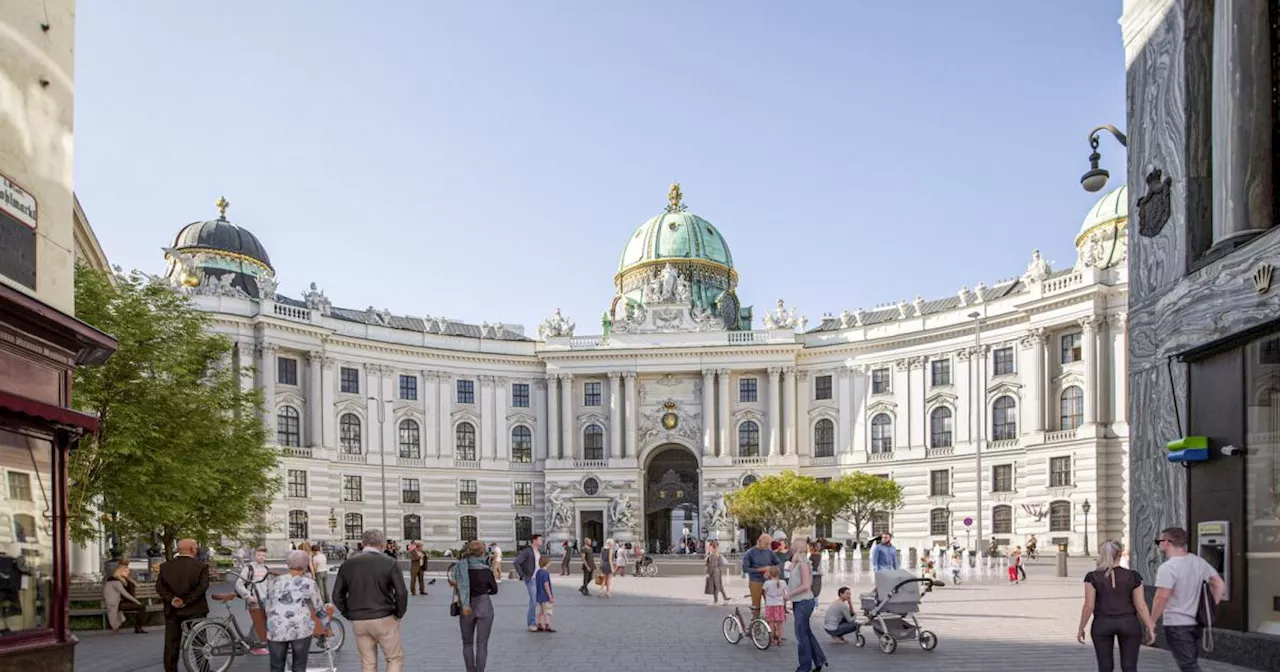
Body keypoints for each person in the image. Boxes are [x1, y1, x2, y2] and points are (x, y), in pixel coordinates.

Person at [332, 528, 408, 672]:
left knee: (368, 662)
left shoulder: (348, 564)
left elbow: (337, 595)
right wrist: (399, 613)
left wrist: (348, 613)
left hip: (359, 619)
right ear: (382, 544)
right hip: (384, 616)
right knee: (393, 658)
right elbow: (401, 593)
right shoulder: (390, 562)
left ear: (363, 543)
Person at [1151, 527, 1225, 672]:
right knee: (1190, 661)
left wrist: (1151, 621)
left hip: (1176, 624)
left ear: (1167, 542)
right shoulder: (1198, 562)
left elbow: (1162, 597)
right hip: (1196, 622)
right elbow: (1219, 584)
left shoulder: (1167, 568)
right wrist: (1210, 606)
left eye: (1158, 541)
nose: (1158, 544)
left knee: (1188, 666)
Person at [1076, 540, 1156, 672]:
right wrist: (1150, 627)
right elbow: (1141, 605)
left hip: (1102, 623)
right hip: (1129, 622)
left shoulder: (1092, 577)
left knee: (1105, 666)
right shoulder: (1133, 576)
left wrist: (1081, 628)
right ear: (1120, 554)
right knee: (1130, 666)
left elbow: (1088, 606)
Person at [265, 550, 328, 672]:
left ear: (288, 564)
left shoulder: (274, 581)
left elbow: (267, 605)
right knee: (299, 666)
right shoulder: (309, 583)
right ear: (305, 566)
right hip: (300, 627)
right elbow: (319, 608)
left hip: (276, 628)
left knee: (276, 667)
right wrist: (327, 627)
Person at [156, 539, 209, 672]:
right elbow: (202, 588)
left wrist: (173, 599)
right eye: (196, 547)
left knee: (171, 643)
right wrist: (186, 601)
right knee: (199, 642)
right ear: (192, 549)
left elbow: (160, 588)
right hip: (195, 610)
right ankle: (203, 669)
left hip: (172, 611)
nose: (197, 550)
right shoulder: (201, 567)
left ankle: (170, 669)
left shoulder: (165, 567)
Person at [452, 540, 498, 672]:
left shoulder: (461, 568)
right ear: (483, 553)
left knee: (467, 643)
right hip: (484, 605)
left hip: (466, 608)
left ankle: (470, 670)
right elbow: (494, 590)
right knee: (482, 644)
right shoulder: (486, 571)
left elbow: (456, 585)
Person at [784, 543, 827, 672]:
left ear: (798, 550)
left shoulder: (804, 564)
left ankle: (804, 667)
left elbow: (806, 586)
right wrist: (794, 560)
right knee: (806, 632)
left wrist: (789, 595)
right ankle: (819, 660)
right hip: (800, 602)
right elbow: (789, 570)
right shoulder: (799, 563)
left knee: (801, 635)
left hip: (803, 601)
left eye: (792, 550)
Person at [235, 547, 274, 655]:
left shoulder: (266, 568)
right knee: (259, 621)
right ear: (254, 555)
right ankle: (255, 645)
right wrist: (248, 596)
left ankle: (254, 642)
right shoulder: (249, 568)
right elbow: (239, 584)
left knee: (260, 621)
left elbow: (269, 585)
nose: (261, 557)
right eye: (259, 555)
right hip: (254, 599)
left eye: (263, 555)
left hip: (264, 599)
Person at [742, 534, 781, 617]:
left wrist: (771, 570)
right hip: (755, 581)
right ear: (759, 542)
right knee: (756, 606)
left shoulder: (770, 552)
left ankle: (773, 627)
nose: (768, 546)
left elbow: (779, 564)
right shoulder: (750, 553)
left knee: (771, 604)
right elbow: (745, 569)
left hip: (769, 581)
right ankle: (755, 625)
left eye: (769, 544)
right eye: (766, 544)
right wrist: (760, 570)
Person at [103, 563, 146, 633]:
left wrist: (129, 580)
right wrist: (137, 601)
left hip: (121, 602)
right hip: (115, 605)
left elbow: (133, 589)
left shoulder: (123, 580)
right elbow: (126, 594)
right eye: (125, 571)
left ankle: (138, 627)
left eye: (128, 570)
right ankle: (138, 627)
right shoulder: (114, 581)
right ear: (120, 571)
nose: (128, 572)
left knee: (141, 606)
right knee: (142, 607)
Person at [513, 533, 543, 631]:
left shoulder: (538, 551)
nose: (541, 541)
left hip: (538, 579)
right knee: (533, 600)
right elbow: (516, 562)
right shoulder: (527, 551)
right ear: (534, 541)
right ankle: (531, 623)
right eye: (540, 540)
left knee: (537, 601)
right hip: (530, 579)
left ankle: (538, 621)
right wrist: (522, 575)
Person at [763, 566, 787, 646]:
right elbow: (785, 593)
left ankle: (772, 640)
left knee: (771, 624)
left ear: (769, 574)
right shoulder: (783, 582)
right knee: (780, 624)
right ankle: (780, 640)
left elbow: (764, 591)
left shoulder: (767, 583)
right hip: (780, 605)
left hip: (770, 605)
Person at [704, 540, 730, 604]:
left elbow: (711, 565)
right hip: (717, 571)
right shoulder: (716, 553)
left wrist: (708, 573)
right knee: (719, 585)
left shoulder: (712, 554)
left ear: (711, 546)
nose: (707, 547)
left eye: (708, 546)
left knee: (716, 586)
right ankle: (725, 598)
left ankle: (716, 601)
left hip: (714, 571)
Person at [535, 555, 555, 633]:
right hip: (545, 596)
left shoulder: (538, 572)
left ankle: (539, 624)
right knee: (547, 611)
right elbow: (546, 584)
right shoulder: (545, 573)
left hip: (539, 595)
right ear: (546, 563)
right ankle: (547, 625)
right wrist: (550, 596)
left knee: (540, 612)